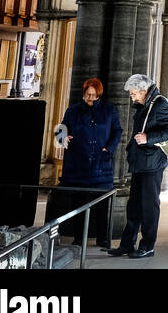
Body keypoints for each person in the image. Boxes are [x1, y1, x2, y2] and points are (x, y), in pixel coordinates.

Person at [106, 74, 168, 260]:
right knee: (134, 206)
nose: (132, 98)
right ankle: (126, 244)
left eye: (133, 94)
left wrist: (148, 138)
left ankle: (147, 246)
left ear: (143, 90)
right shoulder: (145, 104)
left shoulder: (160, 104)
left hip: (152, 164)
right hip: (140, 162)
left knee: (149, 207)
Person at [52, 78, 121, 246]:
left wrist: (108, 149)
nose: (91, 98)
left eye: (94, 95)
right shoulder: (73, 110)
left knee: (102, 205)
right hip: (79, 165)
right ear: (83, 93)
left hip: (101, 165)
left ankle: (102, 239)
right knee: (79, 204)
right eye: (88, 95)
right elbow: (61, 128)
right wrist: (63, 137)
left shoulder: (109, 110)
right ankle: (78, 237)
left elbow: (117, 131)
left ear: (99, 95)